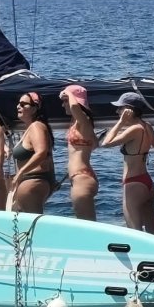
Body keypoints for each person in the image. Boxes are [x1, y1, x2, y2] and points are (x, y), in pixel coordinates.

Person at [101, 91, 154, 235]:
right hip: (147, 183)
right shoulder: (147, 126)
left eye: (120, 108)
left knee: (135, 232)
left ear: (129, 110)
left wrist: (120, 122)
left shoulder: (134, 129)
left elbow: (106, 143)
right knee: (153, 230)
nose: (117, 111)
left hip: (133, 184)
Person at [8, 92, 56, 214]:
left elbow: (41, 152)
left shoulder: (36, 126)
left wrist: (20, 173)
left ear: (34, 108)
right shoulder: (31, 127)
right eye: (18, 103)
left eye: (23, 104)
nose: (18, 106)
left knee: (32, 226)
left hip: (34, 180)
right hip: (33, 181)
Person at [60, 85, 98, 220]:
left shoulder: (84, 121)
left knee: (87, 224)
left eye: (65, 101)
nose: (63, 104)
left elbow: (75, 107)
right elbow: (95, 144)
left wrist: (68, 93)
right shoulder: (79, 123)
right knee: (85, 222)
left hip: (82, 177)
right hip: (79, 177)